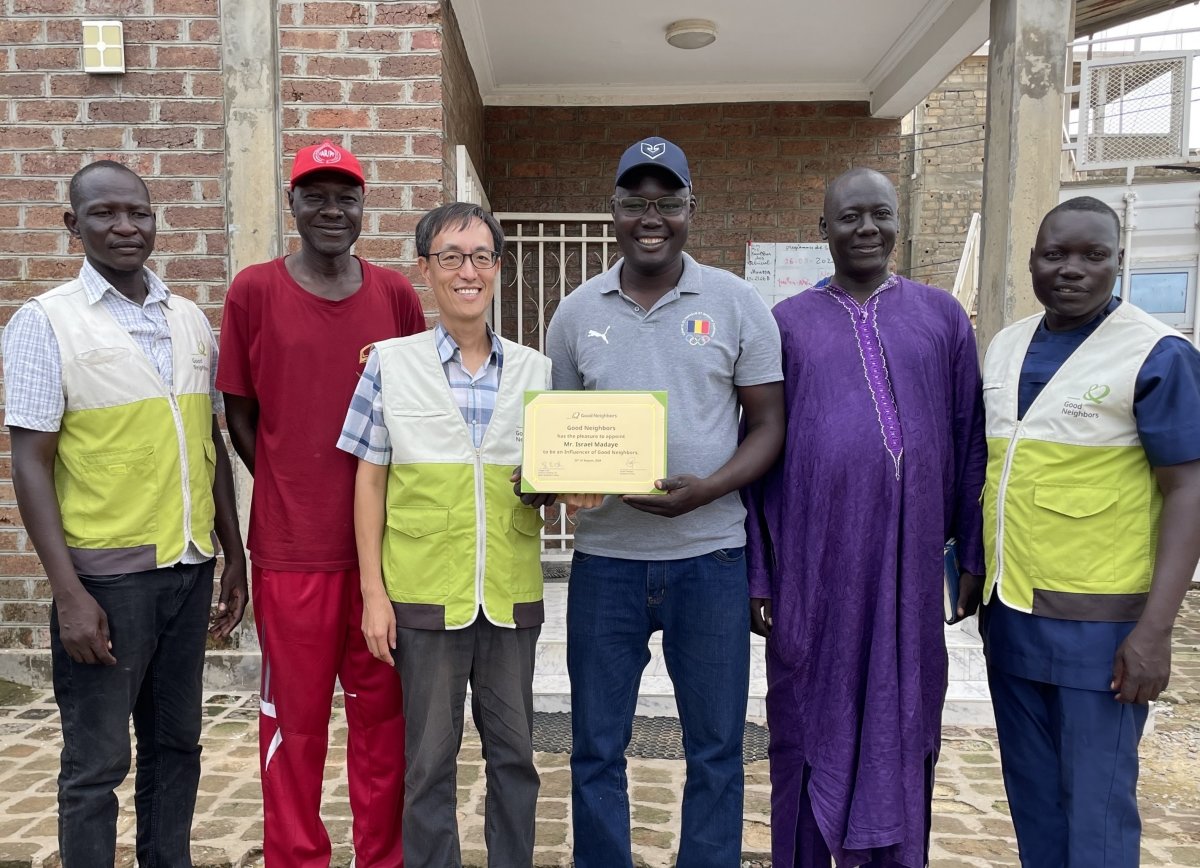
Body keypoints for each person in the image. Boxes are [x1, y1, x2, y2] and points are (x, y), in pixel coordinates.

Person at [541, 136, 786, 868]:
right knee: (595, 745)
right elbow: (559, 428)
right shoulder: (576, 309)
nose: (653, 217)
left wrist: (708, 489)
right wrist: (558, 479)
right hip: (606, 563)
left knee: (716, 748)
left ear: (689, 210)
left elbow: (770, 424)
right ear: (614, 212)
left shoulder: (737, 303)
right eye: (636, 203)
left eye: (668, 202)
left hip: (709, 560)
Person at [2, 160, 246, 867]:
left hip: (188, 568)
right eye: (104, 214)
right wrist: (69, 594)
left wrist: (234, 554)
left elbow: (209, 444)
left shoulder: (189, 319)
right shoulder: (46, 323)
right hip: (106, 583)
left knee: (177, 746)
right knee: (97, 763)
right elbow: (30, 463)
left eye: (137, 212)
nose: (126, 226)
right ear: (72, 225)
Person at [744, 167, 987, 867]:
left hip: (911, 573)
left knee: (905, 718)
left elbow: (970, 438)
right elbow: (758, 447)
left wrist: (970, 555)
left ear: (898, 221)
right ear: (823, 229)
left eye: (880, 214)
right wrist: (760, 575)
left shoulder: (942, 317)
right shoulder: (786, 323)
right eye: (849, 217)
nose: (867, 229)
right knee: (806, 723)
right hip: (817, 572)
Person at [217, 141, 424, 867]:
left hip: (385, 558)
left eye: (347, 197)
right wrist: (283, 477)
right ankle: (296, 857)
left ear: (364, 207)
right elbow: (241, 412)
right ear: (294, 204)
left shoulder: (396, 295)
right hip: (291, 554)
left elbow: (417, 408)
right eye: (317, 195)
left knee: (384, 727)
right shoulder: (254, 291)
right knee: (292, 728)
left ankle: (383, 856)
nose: (332, 210)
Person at [980, 196, 1200, 868]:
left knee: (1097, 816)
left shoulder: (1157, 355)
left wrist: (1156, 632)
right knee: (1036, 805)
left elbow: (1189, 489)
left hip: (1103, 636)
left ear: (1118, 263)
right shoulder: (1006, 344)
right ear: (1032, 261)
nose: (1071, 269)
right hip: (1012, 619)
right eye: (1056, 254)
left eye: (1092, 255)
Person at [339, 202, 551, 867]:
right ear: (425, 269)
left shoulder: (536, 372)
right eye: (452, 257)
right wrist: (374, 594)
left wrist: (571, 482)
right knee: (428, 763)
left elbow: (551, 478)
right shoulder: (389, 365)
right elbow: (368, 481)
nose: (469, 271)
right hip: (424, 600)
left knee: (515, 758)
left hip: (510, 599)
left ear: (498, 270)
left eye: (482, 257)